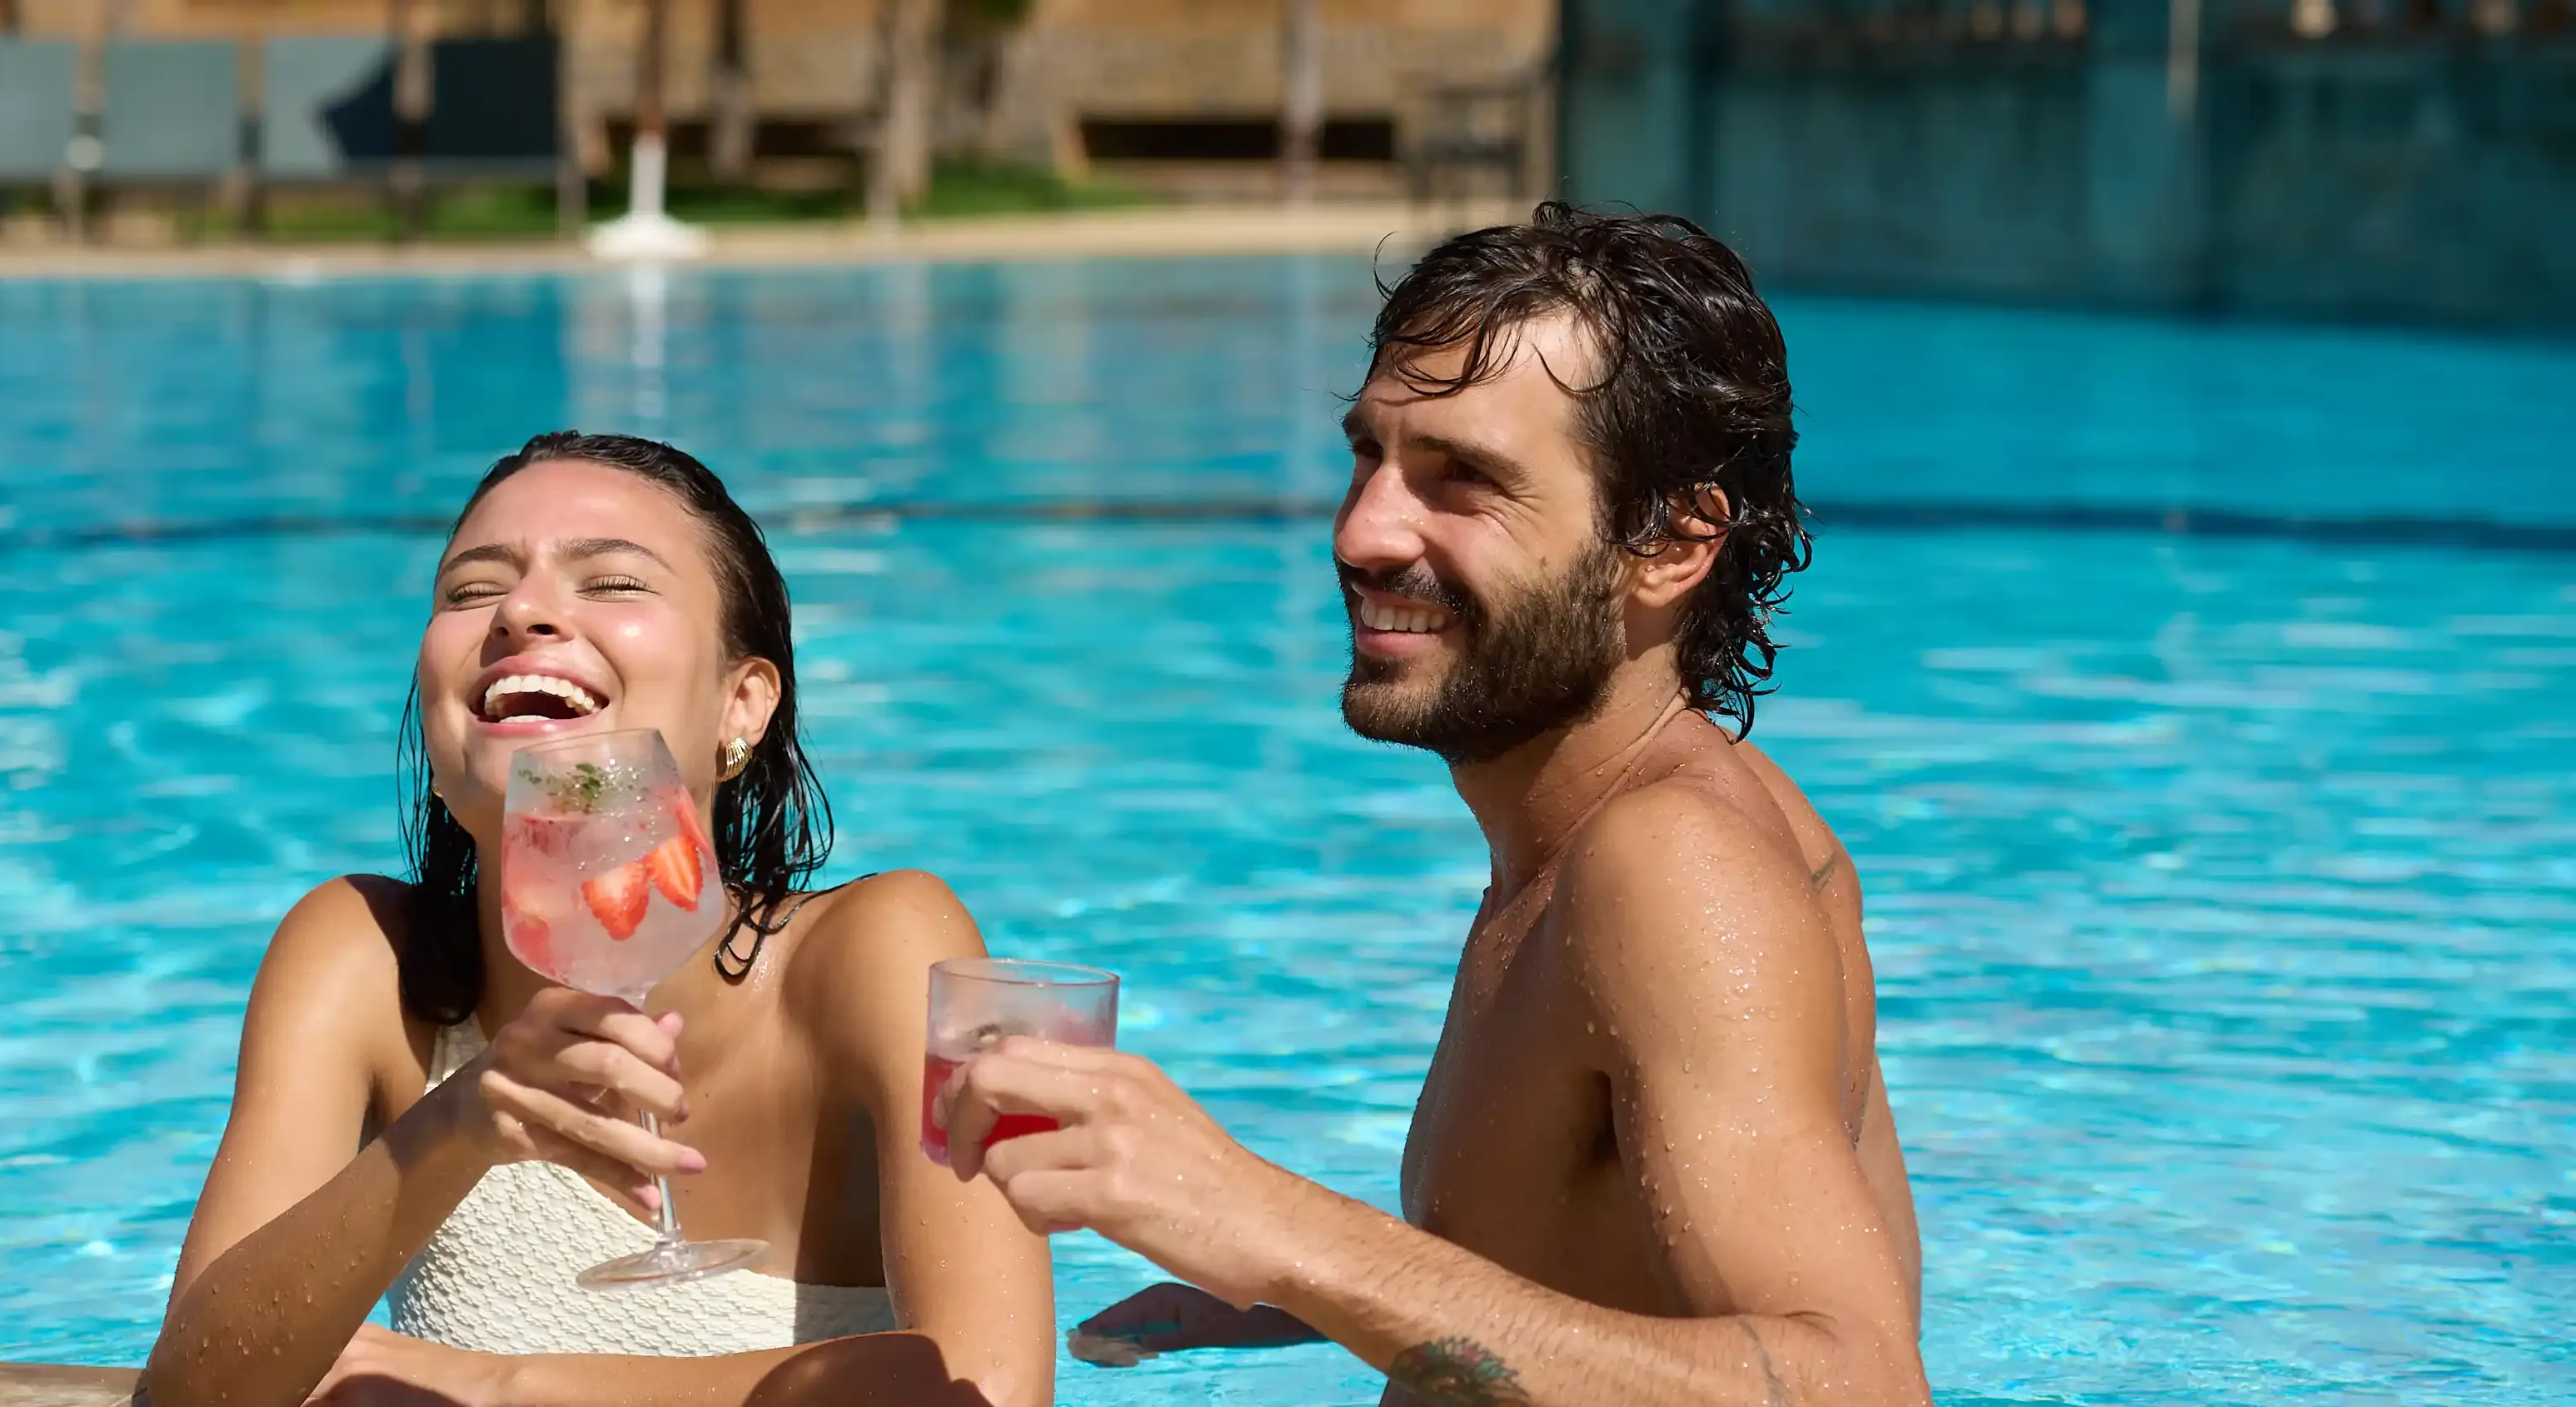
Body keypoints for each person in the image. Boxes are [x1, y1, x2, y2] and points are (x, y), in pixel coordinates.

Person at [934, 205, 1930, 1407]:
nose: (1361, 531)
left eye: (1465, 481)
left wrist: (1272, 1222)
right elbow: (1622, 1283)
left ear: (1668, 542)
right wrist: (1307, 1295)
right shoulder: (1615, 826)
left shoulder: (1672, 867)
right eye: (1371, 455)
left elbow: (1858, 1385)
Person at [145, 433, 1052, 1407]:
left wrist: (505, 1386)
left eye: (613, 583)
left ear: (741, 705)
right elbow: (190, 1393)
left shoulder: (881, 950)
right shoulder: (366, 958)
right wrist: (454, 1126)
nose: (522, 612)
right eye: (468, 592)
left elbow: (989, 1389)